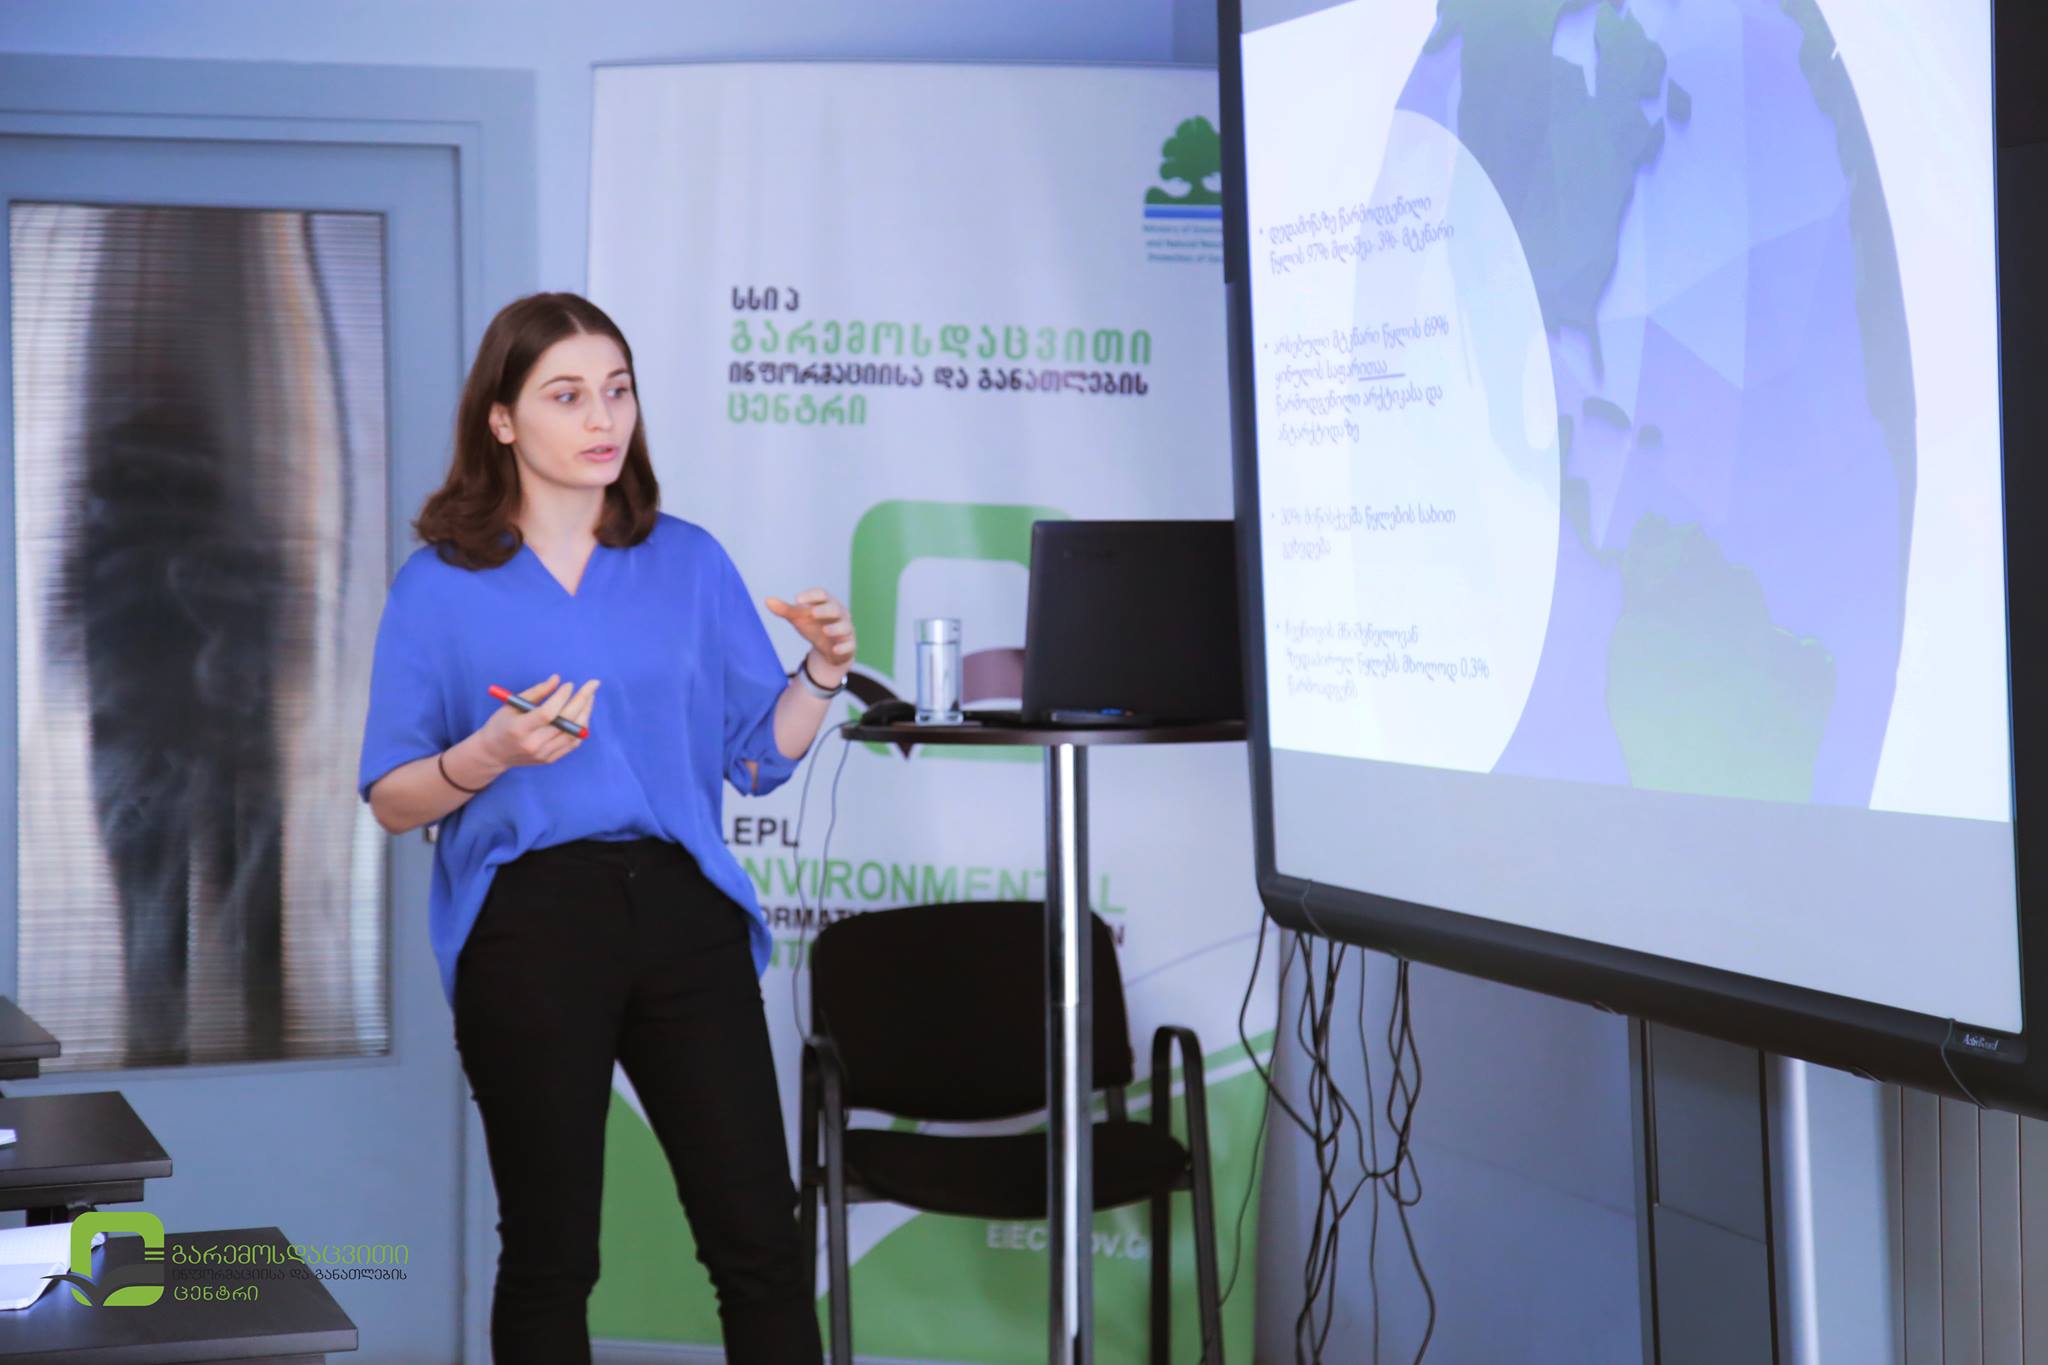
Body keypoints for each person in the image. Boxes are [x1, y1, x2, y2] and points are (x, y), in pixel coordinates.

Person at [355, 291, 842, 1363]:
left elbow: (756, 758)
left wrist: (818, 672)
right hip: (530, 920)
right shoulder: (439, 586)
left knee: (760, 1243)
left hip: (683, 912)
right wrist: (490, 754)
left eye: (616, 391)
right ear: (502, 419)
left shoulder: (689, 561)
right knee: (551, 1255)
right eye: (567, 395)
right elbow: (392, 797)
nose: (602, 417)